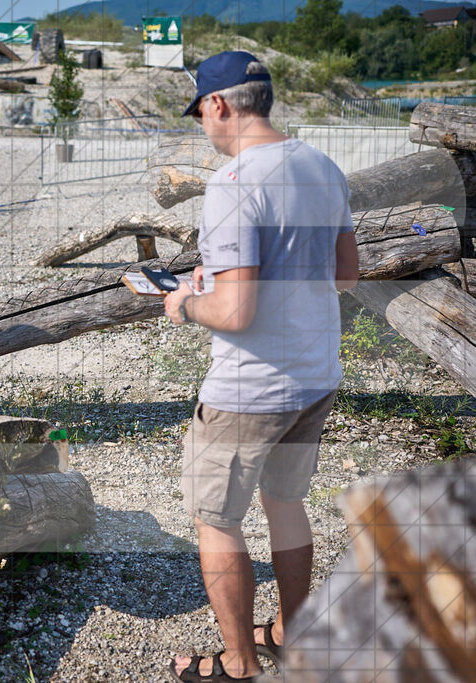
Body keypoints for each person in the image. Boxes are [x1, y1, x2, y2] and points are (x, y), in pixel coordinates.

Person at [162, 50, 358, 682]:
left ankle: (239, 663)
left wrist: (187, 304)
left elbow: (237, 312)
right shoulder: (322, 166)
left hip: (250, 386)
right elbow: (345, 275)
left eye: (200, 113)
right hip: (315, 372)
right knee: (285, 501)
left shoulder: (232, 184)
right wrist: (218, 278)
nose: (203, 127)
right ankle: (295, 637)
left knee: (215, 519)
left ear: (218, 104)